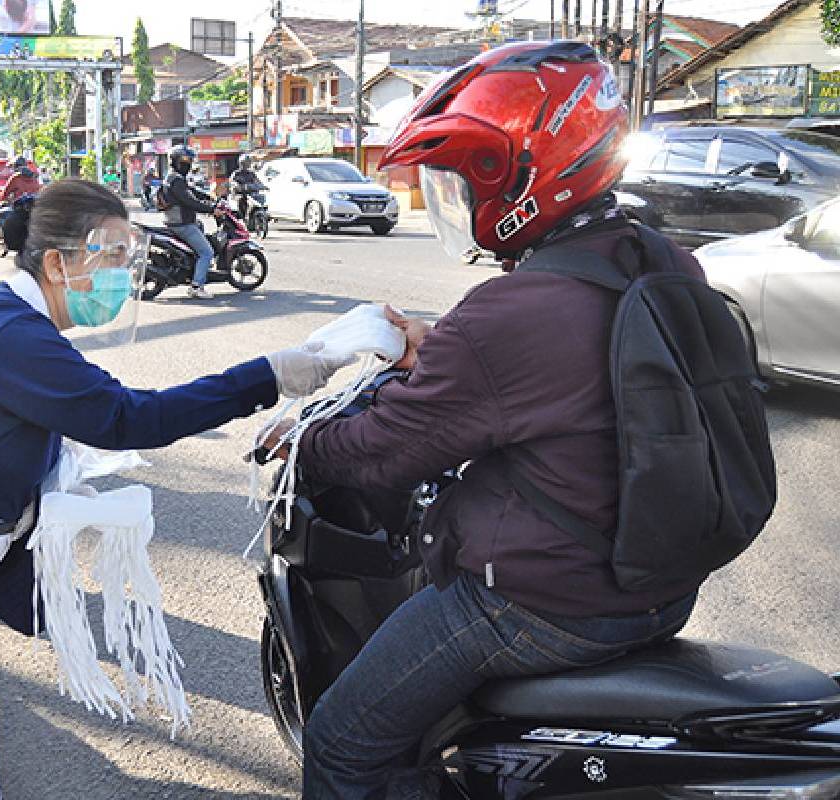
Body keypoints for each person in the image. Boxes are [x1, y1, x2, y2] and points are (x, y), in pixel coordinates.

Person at [0, 179, 352, 800]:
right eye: (112, 258)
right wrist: (268, 374)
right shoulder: (6, 332)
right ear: (56, 262)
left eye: (129, 258)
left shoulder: (21, 324)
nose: (124, 274)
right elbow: (128, 418)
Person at [263, 42, 706, 797]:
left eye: (467, 180)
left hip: (544, 603)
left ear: (522, 177)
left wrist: (305, 439)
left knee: (342, 740)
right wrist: (438, 358)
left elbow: (382, 454)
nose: (459, 202)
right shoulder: (659, 259)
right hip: (659, 585)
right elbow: (571, 386)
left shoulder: (513, 309)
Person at [162, 146, 222, 299]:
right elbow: (189, 201)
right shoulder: (176, 181)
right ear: (175, 162)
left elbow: (192, 192)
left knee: (201, 227)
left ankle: (195, 270)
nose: (187, 164)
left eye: (189, 161)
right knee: (207, 252)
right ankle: (197, 286)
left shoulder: (174, 178)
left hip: (177, 221)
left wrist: (209, 197)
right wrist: (211, 210)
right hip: (182, 224)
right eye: (184, 161)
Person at [229, 154, 265, 222]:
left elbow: (257, 181)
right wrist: (236, 186)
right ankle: (243, 217)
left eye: (248, 162)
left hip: (251, 193)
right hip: (239, 194)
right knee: (242, 200)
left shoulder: (251, 173)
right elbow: (232, 182)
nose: (246, 164)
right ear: (241, 164)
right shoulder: (236, 173)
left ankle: (259, 214)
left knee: (260, 197)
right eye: (245, 163)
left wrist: (263, 186)